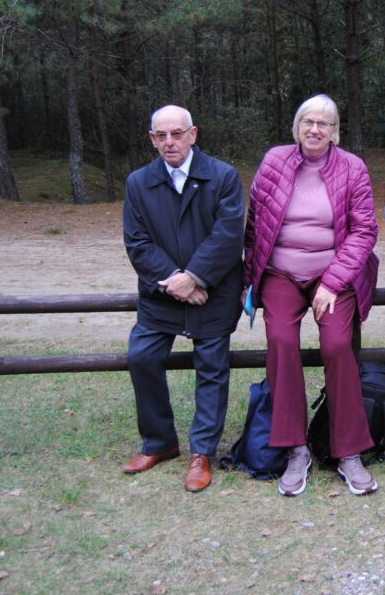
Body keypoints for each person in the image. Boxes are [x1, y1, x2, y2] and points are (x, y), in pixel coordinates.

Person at [243, 94, 380, 496]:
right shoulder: (274, 161)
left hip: (332, 273)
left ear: (335, 130)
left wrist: (333, 282)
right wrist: (250, 282)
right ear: (297, 127)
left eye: (324, 123)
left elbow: (364, 231)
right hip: (281, 272)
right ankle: (295, 448)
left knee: (338, 345)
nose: (315, 129)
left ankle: (349, 451)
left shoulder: (352, 167)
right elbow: (257, 225)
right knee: (281, 340)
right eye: (307, 122)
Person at [121, 104, 245, 492]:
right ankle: (160, 442)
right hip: (162, 294)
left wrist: (194, 277)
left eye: (177, 133)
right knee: (141, 357)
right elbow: (137, 242)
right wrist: (174, 280)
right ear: (152, 139)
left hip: (212, 292)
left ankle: (201, 453)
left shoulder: (223, 176)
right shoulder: (138, 183)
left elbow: (228, 236)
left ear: (193, 134)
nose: (169, 142)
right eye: (161, 135)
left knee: (211, 367)